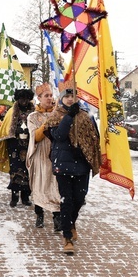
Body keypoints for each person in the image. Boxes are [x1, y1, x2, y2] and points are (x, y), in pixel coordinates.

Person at [44, 80, 101, 255]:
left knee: (79, 198)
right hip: (63, 164)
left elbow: (94, 137)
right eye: (66, 96)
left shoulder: (85, 115)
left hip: (82, 164)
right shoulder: (55, 116)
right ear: (61, 99)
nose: (70, 99)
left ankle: (71, 222)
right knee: (66, 200)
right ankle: (67, 236)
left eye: (72, 96)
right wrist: (69, 117)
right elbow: (59, 136)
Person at [27, 83, 61, 229]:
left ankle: (57, 218)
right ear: (39, 98)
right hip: (40, 152)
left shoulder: (59, 113)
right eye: (46, 96)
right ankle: (39, 214)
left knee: (55, 185)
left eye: (51, 95)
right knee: (40, 185)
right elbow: (37, 136)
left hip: (55, 153)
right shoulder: (33, 116)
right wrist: (49, 120)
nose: (49, 98)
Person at [0, 88, 35, 207]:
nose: (24, 101)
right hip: (15, 145)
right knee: (15, 170)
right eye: (21, 98)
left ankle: (26, 196)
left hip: (29, 145)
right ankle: (14, 196)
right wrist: (15, 132)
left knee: (28, 170)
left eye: (26, 99)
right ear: (17, 99)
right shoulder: (12, 111)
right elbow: (6, 128)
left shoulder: (33, 112)